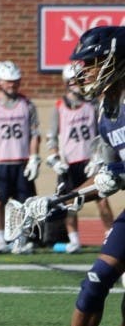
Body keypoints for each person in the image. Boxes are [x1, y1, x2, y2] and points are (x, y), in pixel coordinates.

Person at [24, 25, 125, 326]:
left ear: (115, 60)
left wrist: (119, 176)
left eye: (93, 63)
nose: (84, 72)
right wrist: (60, 199)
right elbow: (105, 175)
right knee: (95, 281)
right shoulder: (108, 112)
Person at [44, 63, 114, 252]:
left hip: (89, 161)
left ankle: (110, 233)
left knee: (102, 198)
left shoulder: (91, 104)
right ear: (66, 83)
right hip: (69, 163)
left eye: (79, 81)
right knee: (69, 202)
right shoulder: (59, 107)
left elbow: (101, 131)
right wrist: (55, 160)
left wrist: (98, 157)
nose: (76, 85)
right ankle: (74, 239)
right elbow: (52, 136)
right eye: (73, 81)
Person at [0, 60, 41, 254]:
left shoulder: (27, 104)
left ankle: (20, 240)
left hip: (21, 161)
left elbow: (34, 134)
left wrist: (34, 157)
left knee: (24, 204)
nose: (13, 85)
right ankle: (0, 239)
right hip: (0, 161)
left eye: (16, 81)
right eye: (8, 81)